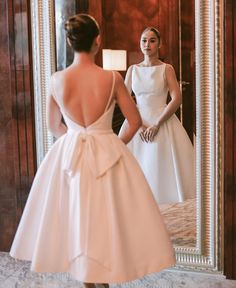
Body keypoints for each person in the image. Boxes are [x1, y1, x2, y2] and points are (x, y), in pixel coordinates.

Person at [9, 15, 175, 288]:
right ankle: (105, 279)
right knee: (107, 219)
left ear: (69, 41)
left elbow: (53, 125)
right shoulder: (111, 78)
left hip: (70, 156)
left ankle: (86, 278)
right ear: (97, 41)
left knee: (77, 216)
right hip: (108, 154)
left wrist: (74, 140)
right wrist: (111, 145)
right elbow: (134, 121)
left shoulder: (57, 79)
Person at [121, 27, 195, 204]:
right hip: (137, 123)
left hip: (162, 121)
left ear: (159, 44)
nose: (147, 44)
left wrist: (157, 124)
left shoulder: (166, 69)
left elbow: (177, 99)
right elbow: (124, 100)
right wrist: (138, 124)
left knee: (160, 165)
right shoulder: (133, 70)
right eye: (144, 40)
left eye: (152, 40)